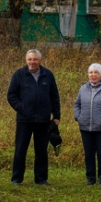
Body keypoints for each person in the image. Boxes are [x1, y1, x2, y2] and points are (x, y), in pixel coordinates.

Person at [6, 49, 61, 185]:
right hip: (24, 119)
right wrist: (21, 107)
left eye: (35, 59)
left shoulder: (48, 75)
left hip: (43, 119)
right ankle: (17, 178)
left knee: (41, 150)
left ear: (40, 60)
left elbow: (54, 96)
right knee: (20, 149)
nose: (32, 62)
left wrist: (56, 116)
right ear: (26, 60)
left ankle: (41, 178)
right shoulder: (19, 74)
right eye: (30, 59)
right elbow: (11, 95)